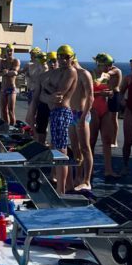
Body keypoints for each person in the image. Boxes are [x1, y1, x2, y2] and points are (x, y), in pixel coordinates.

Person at [39, 44, 78, 194]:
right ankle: (65, 186)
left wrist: (46, 89)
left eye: (66, 57)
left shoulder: (70, 71)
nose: (63, 60)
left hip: (62, 112)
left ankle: (61, 190)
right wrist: (47, 94)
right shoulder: (57, 72)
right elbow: (43, 92)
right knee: (57, 150)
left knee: (61, 153)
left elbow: (58, 95)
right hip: (55, 113)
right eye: (60, 57)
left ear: (72, 58)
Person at [90, 53, 121, 182]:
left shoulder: (110, 75)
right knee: (91, 142)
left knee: (107, 141)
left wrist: (110, 93)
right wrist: (99, 93)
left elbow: (114, 89)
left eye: (110, 65)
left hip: (105, 109)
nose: (109, 67)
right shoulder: (90, 74)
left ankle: (108, 170)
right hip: (93, 109)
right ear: (99, 64)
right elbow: (85, 93)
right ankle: (89, 170)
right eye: (107, 65)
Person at [68, 55, 94, 191]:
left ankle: (87, 180)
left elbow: (90, 97)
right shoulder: (69, 73)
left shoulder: (84, 74)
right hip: (71, 113)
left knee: (85, 147)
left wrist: (83, 118)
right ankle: (78, 177)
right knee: (75, 148)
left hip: (81, 114)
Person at [0, 45, 20, 125]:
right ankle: (6, 126)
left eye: (11, 50)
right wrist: (7, 72)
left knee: (11, 110)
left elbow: (15, 72)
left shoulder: (16, 61)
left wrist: (5, 72)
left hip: (12, 89)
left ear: (13, 51)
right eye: (8, 51)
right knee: (3, 110)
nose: (9, 52)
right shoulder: (3, 62)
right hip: (3, 88)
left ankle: (13, 127)